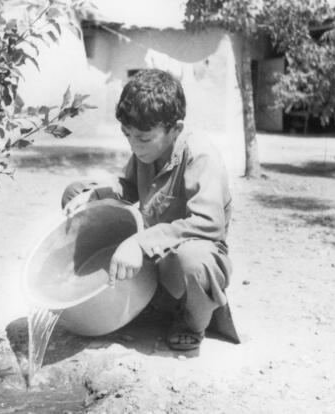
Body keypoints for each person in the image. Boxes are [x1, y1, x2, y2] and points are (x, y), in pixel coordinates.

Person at [61, 69, 234, 351]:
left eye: (142, 138)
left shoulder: (201, 155)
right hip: (151, 253)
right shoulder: (147, 148)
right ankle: (115, 295)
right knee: (77, 193)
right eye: (127, 134)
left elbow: (209, 224)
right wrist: (96, 193)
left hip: (183, 260)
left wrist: (140, 243)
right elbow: (127, 187)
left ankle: (192, 321)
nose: (133, 145)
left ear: (175, 129)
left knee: (195, 258)